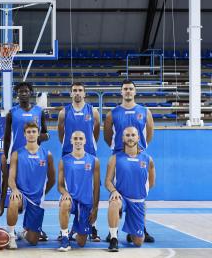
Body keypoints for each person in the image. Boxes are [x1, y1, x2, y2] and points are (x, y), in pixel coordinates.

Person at [104, 79, 155, 243]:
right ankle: (113, 231)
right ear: (121, 92)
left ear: (135, 91)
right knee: (117, 194)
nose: (128, 91)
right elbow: (107, 136)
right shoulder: (113, 113)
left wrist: (140, 147)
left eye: (130, 89)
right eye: (125, 88)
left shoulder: (144, 111)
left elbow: (149, 134)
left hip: (137, 154)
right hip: (119, 155)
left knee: (139, 194)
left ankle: (141, 228)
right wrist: (118, 148)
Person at [3, 82, 50, 241]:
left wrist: (37, 137)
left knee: (36, 191)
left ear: (31, 93)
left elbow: (46, 134)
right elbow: (7, 137)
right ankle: (11, 231)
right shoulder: (12, 113)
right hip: (16, 157)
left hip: (34, 157)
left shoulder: (39, 111)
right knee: (13, 195)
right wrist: (6, 156)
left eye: (26, 91)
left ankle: (33, 227)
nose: (23, 94)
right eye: (20, 92)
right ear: (17, 94)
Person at [57, 82, 101, 242]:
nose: (77, 93)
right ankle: (65, 229)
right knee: (68, 190)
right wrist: (71, 147)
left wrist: (87, 146)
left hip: (88, 153)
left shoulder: (93, 111)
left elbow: (95, 132)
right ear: (70, 94)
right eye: (74, 90)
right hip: (70, 154)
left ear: (84, 93)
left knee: (90, 190)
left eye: (80, 90)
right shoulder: (64, 112)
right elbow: (61, 134)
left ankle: (92, 226)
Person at [105, 126, 156, 252]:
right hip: (122, 198)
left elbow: (151, 182)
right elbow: (107, 181)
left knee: (138, 242)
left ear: (138, 137)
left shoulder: (148, 159)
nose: (130, 138)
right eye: (127, 135)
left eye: (133, 135)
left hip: (137, 202)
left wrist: (142, 197)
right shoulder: (115, 158)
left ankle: (131, 230)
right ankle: (113, 238)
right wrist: (114, 191)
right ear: (123, 138)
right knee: (114, 203)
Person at [6, 122, 55, 249]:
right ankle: (11, 236)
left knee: (33, 241)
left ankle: (25, 231)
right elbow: (10, 178)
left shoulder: (47, 155)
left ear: (38, 133)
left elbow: (52, 180)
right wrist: (15, 189)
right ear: (24, 134)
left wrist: (43, 193)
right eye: (28, 132)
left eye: (34, 131)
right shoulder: (17, 154)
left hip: (37, 200)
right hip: (21, 195)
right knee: (13, 200)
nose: (31, 134)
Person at [57, 131, 100, 251]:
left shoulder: (93, 160)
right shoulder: (64, 160)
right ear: (71, 141)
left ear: (85, 141)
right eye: (75, 138)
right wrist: (65, 193)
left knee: (81, 243)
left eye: (81, 138)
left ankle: (75, 230)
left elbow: (96, 187)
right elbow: (59, 185)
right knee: (65, 203)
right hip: (71, 200)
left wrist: (95, 208)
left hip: (86, 203)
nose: (78, 141)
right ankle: (65, 237)